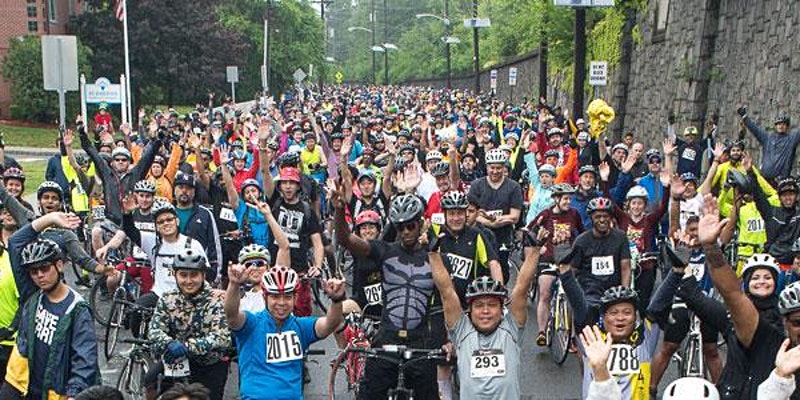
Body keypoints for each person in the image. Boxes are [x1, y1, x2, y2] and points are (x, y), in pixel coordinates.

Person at [333, 191, 442, 400]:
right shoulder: (384, 250)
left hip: (420, 340)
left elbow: (445, 302)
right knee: (368, 395)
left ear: (421, 224)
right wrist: (339, 210)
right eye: (400, 227)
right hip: (386, 336)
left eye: (411, 225)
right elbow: (346, 239)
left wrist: (445, 340)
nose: (406, 231)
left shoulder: (434, 258)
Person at [427, 223, 547, 399]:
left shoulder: (511, 328)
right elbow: (446, 292)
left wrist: (535, 251)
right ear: (469, 310)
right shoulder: (462, 331)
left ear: (501, 308)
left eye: (491, 305)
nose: (485, 311)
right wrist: (433, 255)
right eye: (479, 305)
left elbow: (521, 288)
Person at [695, 194, 790, 399]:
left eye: (767, 277)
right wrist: (711, 249)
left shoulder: (782, 314)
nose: (762, 281)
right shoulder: (753, 322)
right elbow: (732, 295)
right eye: (755, 277)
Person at [2, 213, 100, 400]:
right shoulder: (33, 295)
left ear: (59, 266)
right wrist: (50, 219)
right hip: (23, 386)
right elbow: (15, 243)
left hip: (55, 392)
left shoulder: (77, 309)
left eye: (45, 269)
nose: (39, 276)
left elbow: (84, 361)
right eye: (33, 271)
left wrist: (74, 394)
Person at [224, 263, 345, 400]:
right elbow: (231, 315)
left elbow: (330, 323)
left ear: (295, 298)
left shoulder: (300, 327)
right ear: (265, 298)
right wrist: (234, 284)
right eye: (275, 296)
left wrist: (336, 300)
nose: (281, 303)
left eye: (287, 297)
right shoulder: (252, 324)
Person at [147, 247, 231, 399]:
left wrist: (188, 347)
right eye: (183, 275)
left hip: (209, 365)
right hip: (175, 362)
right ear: (175, 275)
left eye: (194, 275)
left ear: (203, 275)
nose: (188, 281)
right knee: (149, 382)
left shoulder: (216, 300)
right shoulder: (167, 298)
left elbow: (222, 337)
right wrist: (168, 343)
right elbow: (154, 330)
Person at [467, 148, 524, 283]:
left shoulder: (514, 187)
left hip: (504, 234)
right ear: (487, 167)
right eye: (492, 168)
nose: (495, 171)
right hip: (481, 232)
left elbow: (515, 216)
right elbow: (471, 213)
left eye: (499, 168)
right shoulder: (477, 185)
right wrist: (489, 223)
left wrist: (498, 221)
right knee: (482, 266)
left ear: (504, 167)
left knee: (502, 268)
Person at [738, 106, 800, 180]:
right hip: (764, 179)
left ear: (787, 127)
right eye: (779, 124)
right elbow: (755, 129)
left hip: (781, 182)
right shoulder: (767, 138)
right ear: (775, 126)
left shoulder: (791, 140)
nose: (781, 126)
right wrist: (744, 116)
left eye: (784, 124)